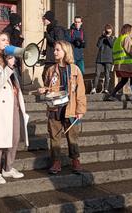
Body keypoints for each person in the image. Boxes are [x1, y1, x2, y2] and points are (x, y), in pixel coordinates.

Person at [0, 32, 29, 184]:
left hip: (13, 103)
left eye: (7, 40)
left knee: (14, 137)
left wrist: (11, 64)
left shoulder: (7, 59)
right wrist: (9, 67)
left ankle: (8, 168)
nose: (6, 42)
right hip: (0, 105)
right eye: (3, 39)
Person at [37, 40, 87, 174]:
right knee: (55, 137)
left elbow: (81, 91)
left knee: (72, 137)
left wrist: (80, 110)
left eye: (58, 50)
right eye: (54, 50)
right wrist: (45, 90)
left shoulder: (75, 70)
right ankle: (56, 162)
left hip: (71, 109)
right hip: (55, 109)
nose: (54, 52)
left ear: (65, 51)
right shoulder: (50, 70)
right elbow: (49, 88)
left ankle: (75, 160)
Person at [104, 24, 132, 101]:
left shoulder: (118, 39)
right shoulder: (126, 38)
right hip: (127, 63)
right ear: (128, 31)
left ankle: (113, 94)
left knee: (124, 80)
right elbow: (129, 49)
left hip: (120, 63)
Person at [91, 24, 115, 94]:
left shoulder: (113, 38)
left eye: (109, 32)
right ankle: (94, 88)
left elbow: (112, 45)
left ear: (112, 31)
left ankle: (106, 89)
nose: (108, 33)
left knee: (107, 74)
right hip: (100, 58)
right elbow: (98, 45)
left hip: (108, 59)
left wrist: (108, 37)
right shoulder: (101, 38)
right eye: (107, 32)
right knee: (97, 74)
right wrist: (102, 37)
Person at [41, 10, 65, 82]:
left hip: (54, 59)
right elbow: (51, 45)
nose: (43, 21)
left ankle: (52, 90)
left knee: (49, 76)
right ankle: (50, 90)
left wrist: (47, 36)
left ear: (49, 19)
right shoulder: (49, 29)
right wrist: (45, 51)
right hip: (49, 58)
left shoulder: (57, 30)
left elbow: (58, 44)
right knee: (45, 76)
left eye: (44, 19)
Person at [3, 13, 24, 78]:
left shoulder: (9, 29)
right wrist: (20, 38)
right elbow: (15, 44)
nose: (20, 24)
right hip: (11, 56)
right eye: (19, 22)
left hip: (12, 56)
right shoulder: (12, 31)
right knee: (13, 77)